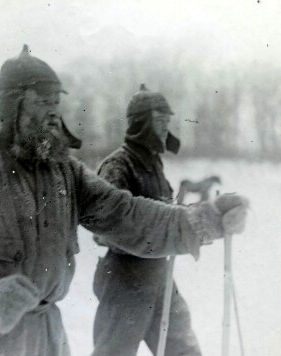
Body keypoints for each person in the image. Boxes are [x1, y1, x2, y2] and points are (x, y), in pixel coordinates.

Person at [0, 45, 249, 356]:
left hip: (44, 334)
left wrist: (203, 220)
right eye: (41, 102)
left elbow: (129, 215)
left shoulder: (65, 172)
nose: (53, 114)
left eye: (56, 103)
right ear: (11, 107)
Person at [92, 84, 201, 356]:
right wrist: (154, 235)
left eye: (168, 121)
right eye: (160, 121)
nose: (166, 128)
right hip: (125, 280)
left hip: (160, 277)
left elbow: (164, 215)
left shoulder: (154, 164)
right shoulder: (118, 166)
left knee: (183, 350)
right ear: (141, 123)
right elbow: (103, 228)